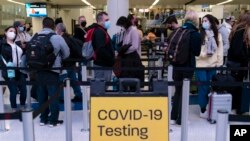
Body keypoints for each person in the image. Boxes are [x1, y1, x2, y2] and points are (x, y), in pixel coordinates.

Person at [31, 17, 70, 127]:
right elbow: (67, 53)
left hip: (38, 71)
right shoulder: (57, 37)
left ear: (42, 25)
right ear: (53, 26)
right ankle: (53, 121)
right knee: (53, 97)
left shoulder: (35, 36)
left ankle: (43, 119)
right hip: (53, 70)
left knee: (42, 96)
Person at [170, 10, 201, 125]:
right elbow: (196, 52)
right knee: (185, 92)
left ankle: (173, 117)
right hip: (188, 66)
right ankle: (181, 119)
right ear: (196, 20)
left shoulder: (178, 30)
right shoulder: (196, 34)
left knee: (177, 91)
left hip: (176, 65)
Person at [196, 14, 223, 118]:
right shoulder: (199, 34)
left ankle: (210, 106)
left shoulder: (217, 35)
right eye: (203, 21)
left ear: (211, 22)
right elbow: (196, 52)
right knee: (203, 87)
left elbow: (220, 51)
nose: (204, 22)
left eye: (206, 20)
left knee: (211, 88)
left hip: (213, 65)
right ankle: (203, 108)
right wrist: (204, 55)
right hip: (201, 65)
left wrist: (219, 64)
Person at [227, 12, 250, 114]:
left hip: (234, 62)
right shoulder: (242, 31)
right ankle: (237, 108)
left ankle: (235, 107)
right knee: (237, 86)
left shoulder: (235, 30)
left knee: (235, 85)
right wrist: (246, 57)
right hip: (239, 64)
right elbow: (238, 50)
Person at [0, 26, 27, 112]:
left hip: (19, 70)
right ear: (6, 32)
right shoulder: (2, 44)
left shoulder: (17, 44)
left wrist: (22, 36)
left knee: (23, 90)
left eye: (14, 32)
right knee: (13, 90)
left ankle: (22, 105)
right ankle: (14, 108)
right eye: (11, 31)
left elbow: (24, 51)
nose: (13, 33)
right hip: (9, 71)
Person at [55, 23, 83, 102]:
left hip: (65, 64)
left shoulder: (61, 39)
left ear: (59, 30)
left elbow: (62, 52)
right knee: (74, 80)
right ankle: (79, 95)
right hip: (72, 63)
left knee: (61, 81)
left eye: (56, 29)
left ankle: (61, 98)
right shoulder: (70, 37)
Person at [116, 16, 144, 84]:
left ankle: (133, 93)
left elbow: (135, 46)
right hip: (126, 58)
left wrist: (124, 51)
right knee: (125, 77)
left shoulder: (133, 31)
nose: (122, 27)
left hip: (132, 58)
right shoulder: (126, 31)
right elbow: (124, 43)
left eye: (122, 25)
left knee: (132, 77)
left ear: (126, 23)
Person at [88, 12, 115, 81]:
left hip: (105, 64)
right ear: (100, 21)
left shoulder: (102, 31)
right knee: (101, 87)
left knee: (103, 86)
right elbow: (100, 50)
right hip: (102, 65)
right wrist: (111, 59)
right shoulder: (99, 32)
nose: (108, 22)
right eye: (106, 20)